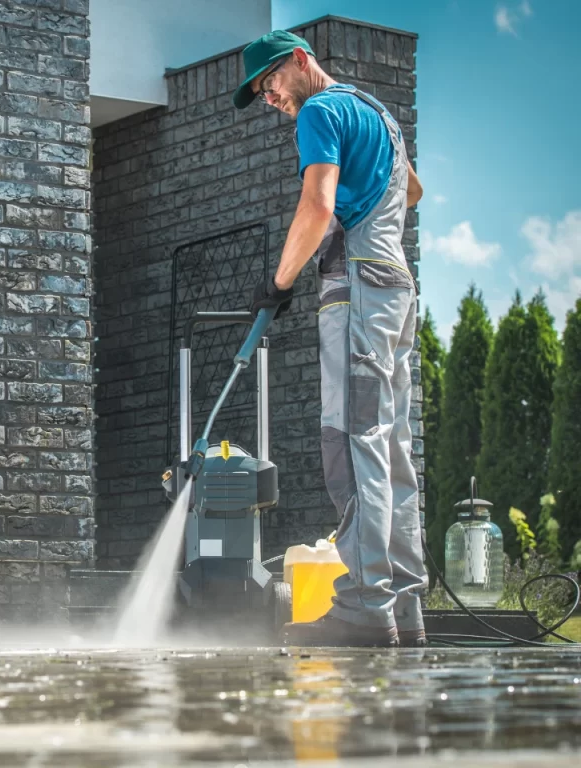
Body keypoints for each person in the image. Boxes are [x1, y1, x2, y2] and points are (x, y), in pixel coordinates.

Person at [235, 31, 428, 647]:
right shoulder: (379, 115)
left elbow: (316, 207)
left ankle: (365, 605)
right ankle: (404, 604)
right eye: (261, 92)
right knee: (390, 445)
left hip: (359, 291)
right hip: (396, 287)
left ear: (300, 59)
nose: (269, 97)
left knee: (352, 440)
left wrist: (278, 281)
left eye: (269, 81)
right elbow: (413, 192)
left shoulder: (319, 110)